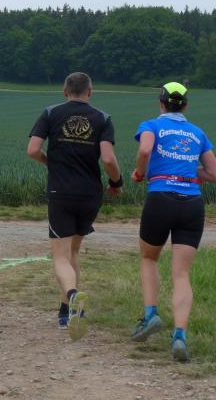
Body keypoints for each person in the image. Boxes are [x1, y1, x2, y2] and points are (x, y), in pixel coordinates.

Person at [27, 72, 122, 341]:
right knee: (74, 251)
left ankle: (71, 296)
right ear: (90, 92)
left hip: (61, 192)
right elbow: (108, 159)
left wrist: (50, 162)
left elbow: (32, 150)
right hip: (90, 194)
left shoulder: (51, 113)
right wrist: (116, 182)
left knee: (60, 256)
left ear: (64, 90)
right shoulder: (103, 118)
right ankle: (65, 313)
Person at [129, 82, 216, 362]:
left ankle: (150, 315)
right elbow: (214, 173)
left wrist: (140, 173)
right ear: (186, 105)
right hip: (191, 203)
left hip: (161, 198)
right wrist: (193, 172)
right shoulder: (198, 133)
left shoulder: (151, 125)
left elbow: (145, 151)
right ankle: (180, 336)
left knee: (149, 258)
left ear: (161, 103)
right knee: (181, 274)